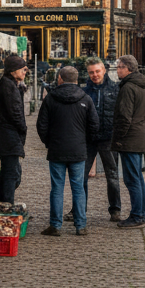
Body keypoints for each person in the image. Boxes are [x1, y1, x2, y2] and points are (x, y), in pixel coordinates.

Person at [36, 65, 98, 236]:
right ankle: (81, 225)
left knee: (57, 188)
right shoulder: (85, 98)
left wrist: (49, 142)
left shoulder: (51, 98)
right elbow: (94, 125)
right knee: (78, 188)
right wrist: (85, 142)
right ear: (77, 80)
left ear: (60, 79)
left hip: (57, 149)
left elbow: (41, 125)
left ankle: (55, 225)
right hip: (78, 150)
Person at [79, 57, 122, 222]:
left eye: (97, 71)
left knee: (112, 175)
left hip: (108, 138)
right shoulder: (84, 91)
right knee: (81, 176)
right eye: (91, 72)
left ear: (104, 70)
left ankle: (115, 209)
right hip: (88, 138)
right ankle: (80, 209)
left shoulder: (115, 89)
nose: (95, 75)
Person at [111, 54, 145, 229]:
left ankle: (138, 215)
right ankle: (141, 213)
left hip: (131, 138)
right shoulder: (143, 85)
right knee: (138, 178)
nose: (117, 70)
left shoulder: (128, 88)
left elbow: (124, 117)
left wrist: (118, 139)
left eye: (120, 67)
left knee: (132, 179)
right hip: (140, 134)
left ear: (128, 68)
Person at [0, 54, 28, 204]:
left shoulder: (7, 83)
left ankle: (1, 202)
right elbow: (16, 113)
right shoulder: (8, 86)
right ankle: (6, 205)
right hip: (7, 135)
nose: (25, 71)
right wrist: (23, 129)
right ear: (12, 71)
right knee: (12, 173)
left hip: (2, 134)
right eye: (22, 68)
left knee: (8, 171)